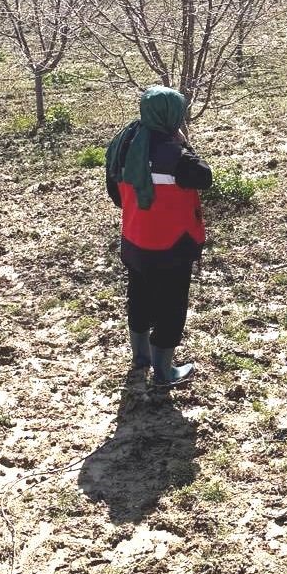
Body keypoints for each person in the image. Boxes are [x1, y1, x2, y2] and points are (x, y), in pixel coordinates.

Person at [106, 86, 212, 387]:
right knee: (171, 306)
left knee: (138, 296)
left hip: (135, 239)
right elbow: (205, 177)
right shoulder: (176, 155)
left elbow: (114, 193)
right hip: (173, 245)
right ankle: (164, 372)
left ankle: (140, 357)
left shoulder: (123, 144)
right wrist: (187, 145)